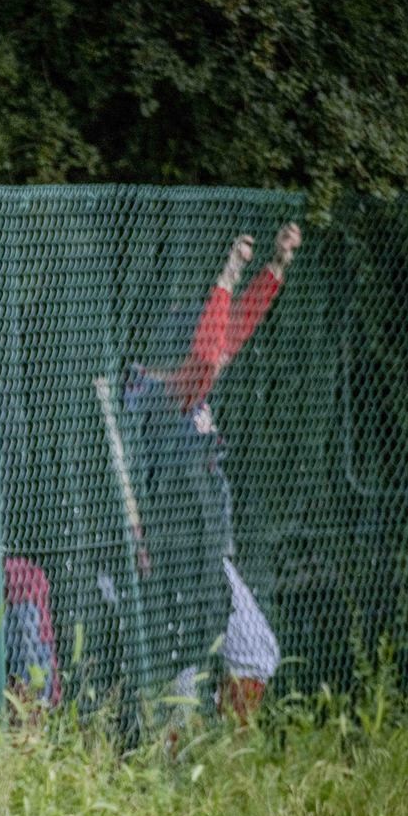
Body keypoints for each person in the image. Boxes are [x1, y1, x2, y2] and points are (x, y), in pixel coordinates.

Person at [128, 223, 302, 725]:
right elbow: (208, 355)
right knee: (180, 676)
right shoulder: (159, 398)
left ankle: (227, 754)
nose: (221, 357)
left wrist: (273, 269)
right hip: (172, 556)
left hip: (208, 556)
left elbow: (227, 339)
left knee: (255, 653)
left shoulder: (191, 392)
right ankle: (173, 770)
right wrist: (227, 275)